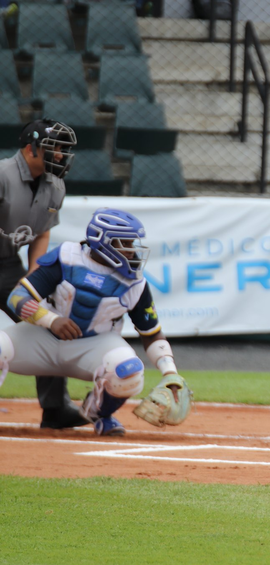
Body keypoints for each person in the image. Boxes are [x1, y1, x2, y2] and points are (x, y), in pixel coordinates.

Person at [0, 207, 187, 435]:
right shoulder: (67, 257)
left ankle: (98, 413)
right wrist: (50, 320)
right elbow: (17, 297)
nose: (131, 250)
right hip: (42, 340)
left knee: (129, 371)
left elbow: (151, 332)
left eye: (132, 244)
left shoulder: (135, 283)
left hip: (92, 346)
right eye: (124, 243)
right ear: (102, 239)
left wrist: (170, 372)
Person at [0, 118, 85, 429]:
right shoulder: (2, 175)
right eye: (54, 148)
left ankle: (55, 408)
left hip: (8, 265)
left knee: (45, 321)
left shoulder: (55, 185)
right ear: (29, 149)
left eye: (63, 149)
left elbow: (42, 235)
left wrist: (33, 280)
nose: (60, 155)